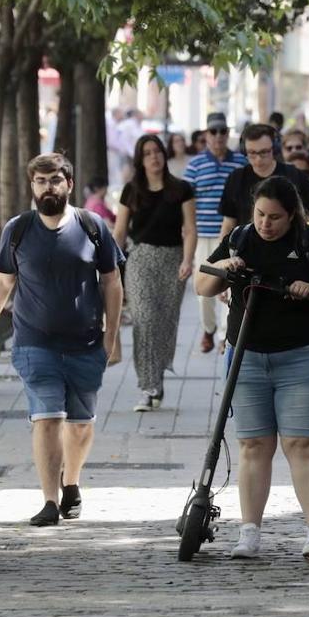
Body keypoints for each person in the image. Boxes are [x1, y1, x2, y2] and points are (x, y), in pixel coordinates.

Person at [195, 176, 309, 560]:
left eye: (275, 217)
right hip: (246, 358)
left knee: (301, 444)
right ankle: (249, 532)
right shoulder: (240, 239)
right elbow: (202, 283)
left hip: (301, 358)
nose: (266, 223)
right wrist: (224, 267)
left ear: (292, 215)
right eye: (260, 214)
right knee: (253, 446)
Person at [0, 153, 124, 526]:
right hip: (34, 342)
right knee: (47, 418)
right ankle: (48, 500)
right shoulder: (18, 229)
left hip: (86, 342)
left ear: (69, 184)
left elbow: (111, 282)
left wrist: (112, 334)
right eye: (41, 181)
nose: (48, 188)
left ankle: (71, 483)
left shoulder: (92, 226)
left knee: (80, 425)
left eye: (55, 181)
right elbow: (2, 281)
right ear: (32, 186)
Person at [114, 134, 197, 411]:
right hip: (140, 260)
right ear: (141, 159)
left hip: (173, 261)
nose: (154, 157)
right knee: (144, 320)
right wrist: (111, 263)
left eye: (157, 151)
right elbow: (120, 231)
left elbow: (189, 229)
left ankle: (156, 380)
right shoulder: (131, 191)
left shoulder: (182, 189)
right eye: (147, 153)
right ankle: (147, 387)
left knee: (163, 325)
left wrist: (187, 260)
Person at [183, 112, 247, 353]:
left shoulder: (240, 162)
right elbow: (186, 202)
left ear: (228, 133)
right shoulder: (195, 165)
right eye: (214, 131)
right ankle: (209, 328)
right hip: (203, 234)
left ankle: (224, 335)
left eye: (223, 131)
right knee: (204, 289)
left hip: (232, 236)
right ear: (206, 135)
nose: (219, 136)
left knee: (230, 283)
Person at [218, 124, 309, 237]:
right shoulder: (236, 178)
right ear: (244, 150)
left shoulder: (294, 175)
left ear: (275, 148)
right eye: (252, 153)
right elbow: (228, 223)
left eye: (264, 152)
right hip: (246, 250)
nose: (258, 159)